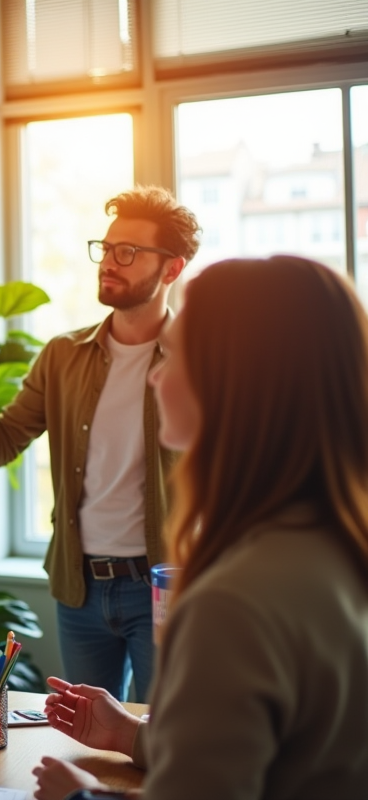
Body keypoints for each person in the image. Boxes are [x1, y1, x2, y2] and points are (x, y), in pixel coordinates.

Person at [32, 255, 368, 799]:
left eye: (177, 354)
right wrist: (129, 733)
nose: (157, 373)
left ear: (237, 382)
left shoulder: (235, 600)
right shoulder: (336, 549)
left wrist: (81, 797)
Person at [0, 186, 200, 701]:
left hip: (164, 587)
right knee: (86, 740)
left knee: (165, 739)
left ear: (171, 269)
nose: (108, 263)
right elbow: (0, 442)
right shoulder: (63, 356)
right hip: (80, 588)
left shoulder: (200, 358)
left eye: (128, 252)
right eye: (106, 248)